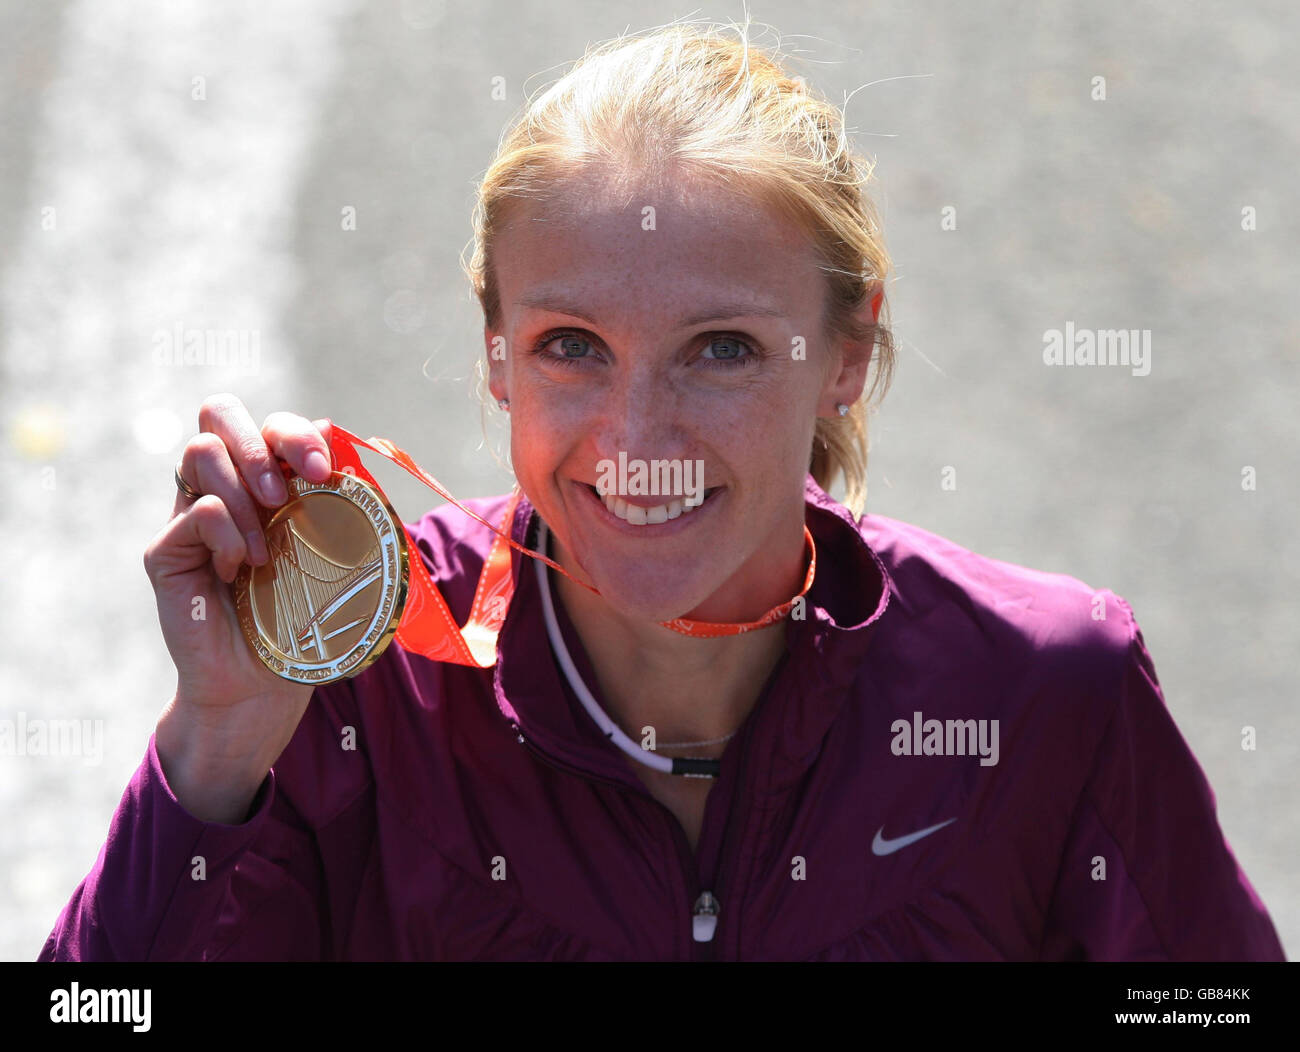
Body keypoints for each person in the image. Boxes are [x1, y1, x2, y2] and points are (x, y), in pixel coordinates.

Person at [38, 21, 1284, 961]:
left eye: (723, 349)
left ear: (845, 354)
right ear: (495, 352)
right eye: (571, 344)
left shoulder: (1045, 686)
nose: (636, 436)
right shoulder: (353, 686)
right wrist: (214, 748)